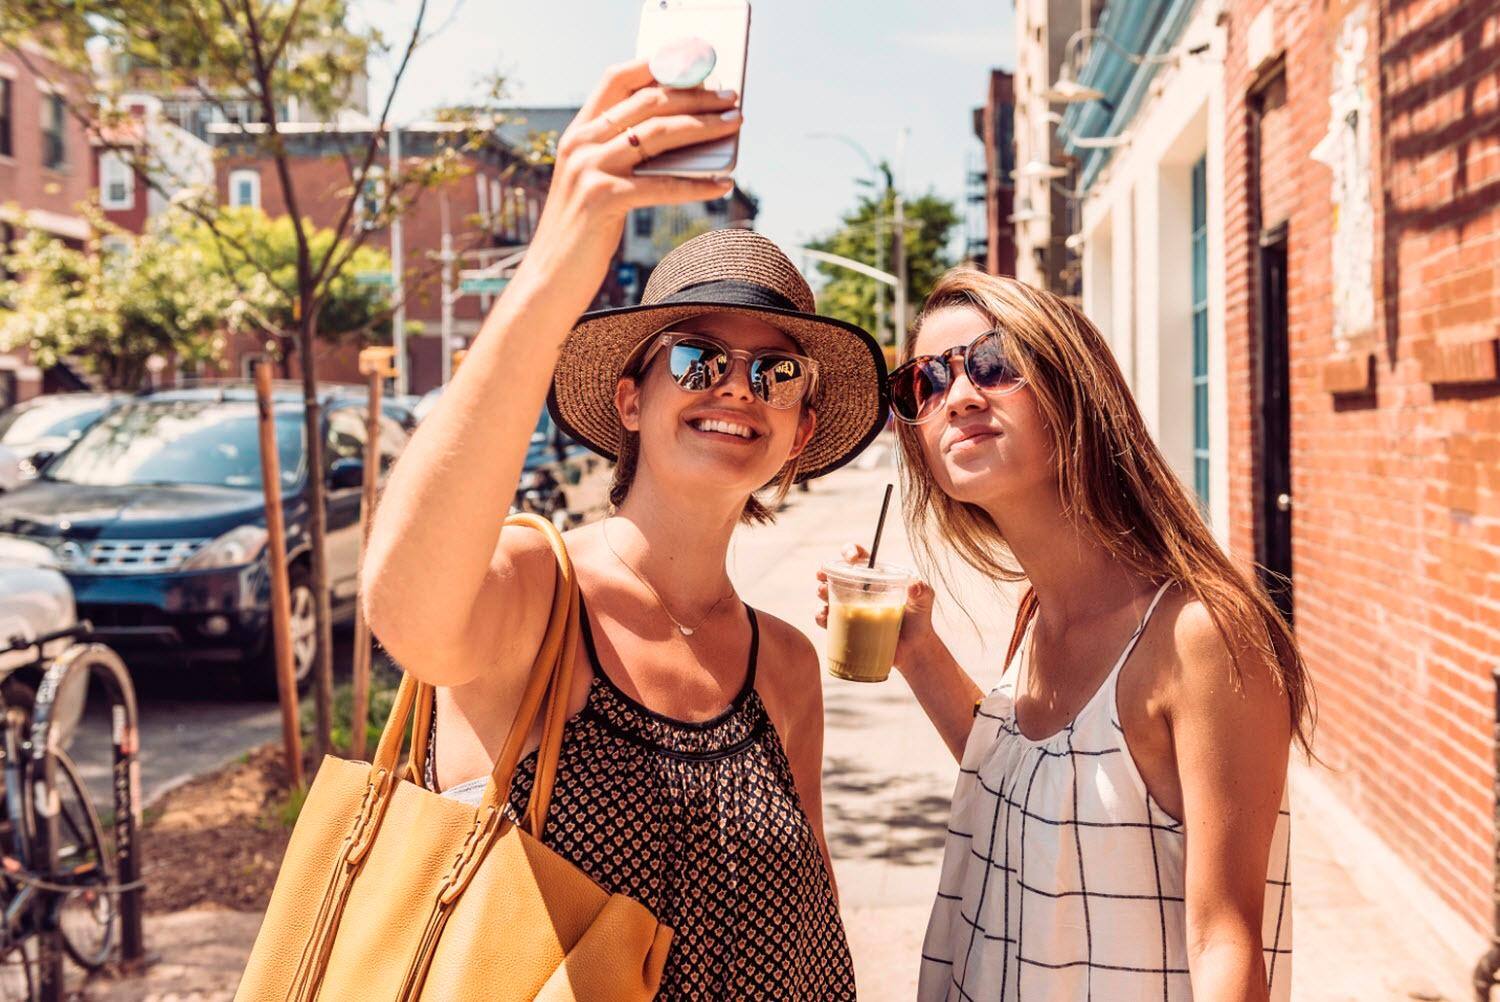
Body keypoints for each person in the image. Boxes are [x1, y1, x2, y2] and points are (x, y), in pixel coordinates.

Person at [362, 61, 887, 999]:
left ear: (802, 432)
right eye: (697, 356)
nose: (736, 385)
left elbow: (812, 926)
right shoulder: (536, 595)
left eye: (776, 373)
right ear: (630, 398)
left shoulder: (786, 669)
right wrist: (566, 248)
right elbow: (406, 611)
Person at [818, 268, 1307, 1000]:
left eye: (994, 361)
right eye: (926, 381)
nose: (959, 395)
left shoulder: (1199, 636)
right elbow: (1029, 789)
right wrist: (917, 652)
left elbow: (1225, 943)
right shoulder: (1038, 615)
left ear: (1073, 389)